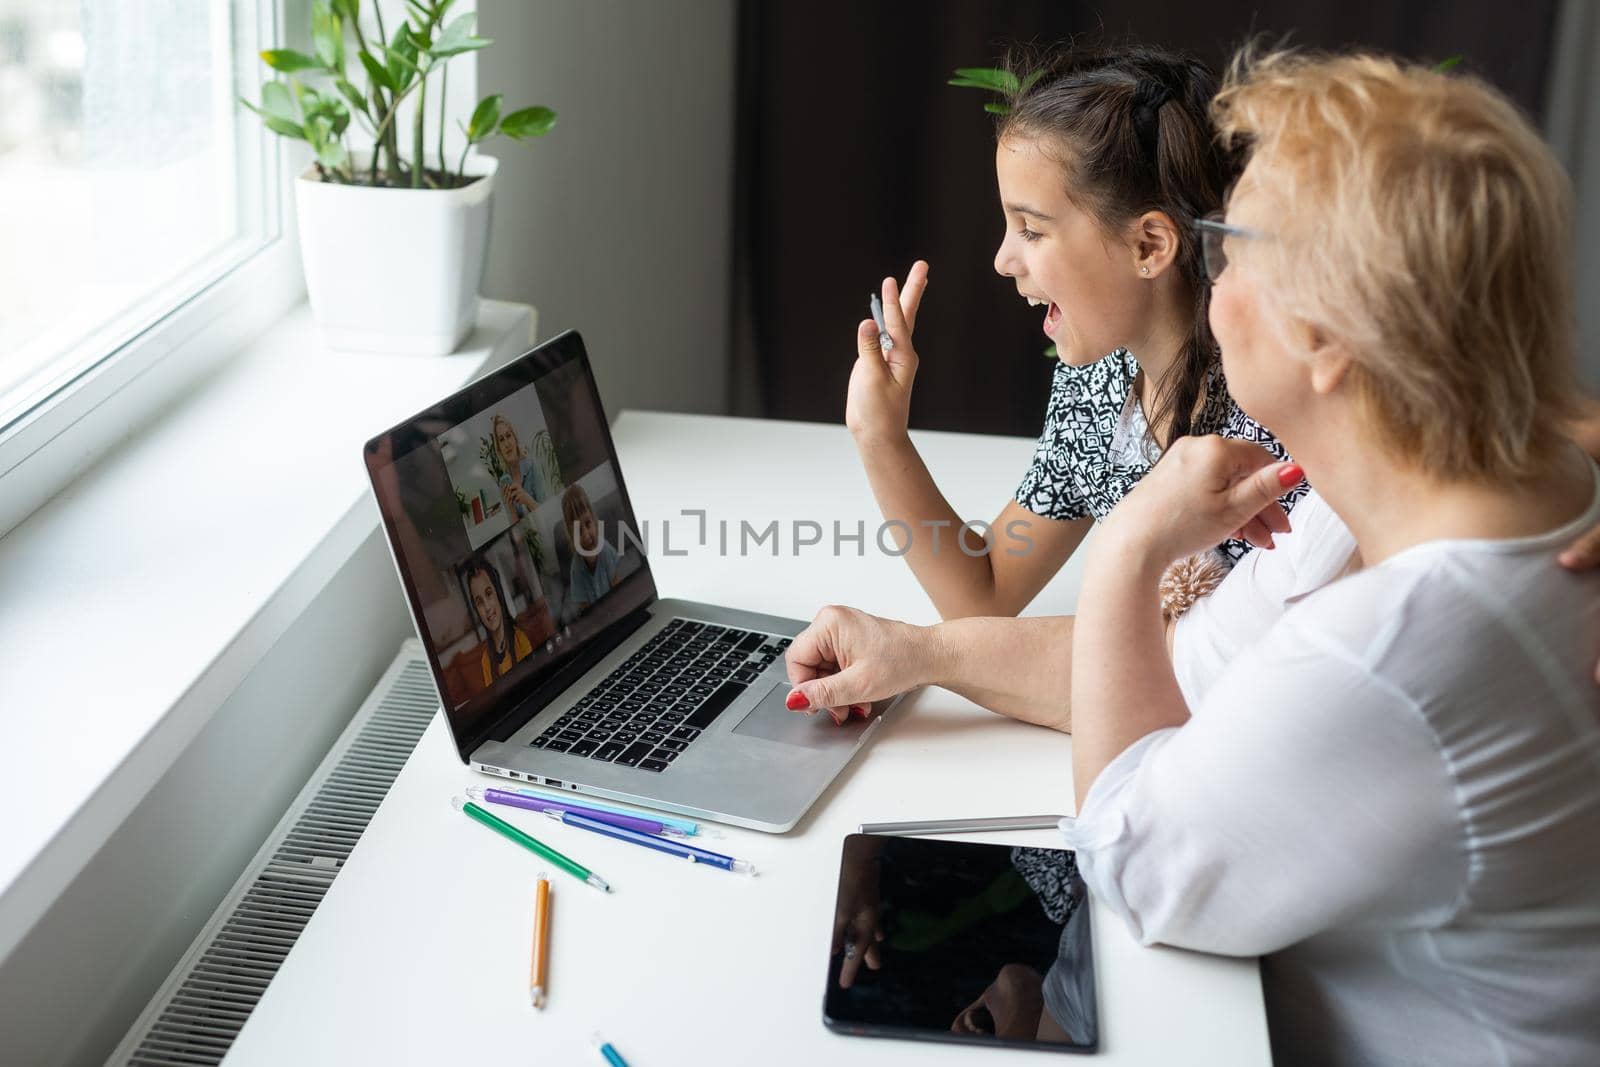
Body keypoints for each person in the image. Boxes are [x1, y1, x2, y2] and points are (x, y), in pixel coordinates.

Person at [789, 49, 1600, 1060]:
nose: (1212, 280)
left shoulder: (1380, 643)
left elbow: (1128, 861)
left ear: (1326, 335)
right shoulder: (1344, 524)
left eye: (1231, 253)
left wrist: (1130, 540)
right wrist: (919, 649)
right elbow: (1181, 665)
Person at [843, 43, 1306, 729]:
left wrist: (927, 655)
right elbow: (989, 591)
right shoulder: (1099, 384)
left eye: (1031, 229)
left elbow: (1233, 682)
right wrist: (881, 436)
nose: (1003, 259)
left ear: (1150, 245)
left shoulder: (1279, 410)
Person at [464, 558, 532, 685]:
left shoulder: (520, 639)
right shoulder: (486, 661)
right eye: (479, 602)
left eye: (489, 594)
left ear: (498, 594)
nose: (487, 607)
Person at [561, 483, 621, 613]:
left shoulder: (605, 549)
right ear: (571, 536)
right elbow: (585, 608)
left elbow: (617, 586)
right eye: (578, 531)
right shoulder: (576, 569)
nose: (586, 536)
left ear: (594, 520)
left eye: (588, 524)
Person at [491, 413, 552, 519]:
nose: (507, 444)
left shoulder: (532, 467)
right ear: (499, 449)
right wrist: (511, 508)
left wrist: (526, 499)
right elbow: (516, 530)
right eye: (501, 439)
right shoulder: (504, 482)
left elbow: (547, 513)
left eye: (509, 436)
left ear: (515, 438)